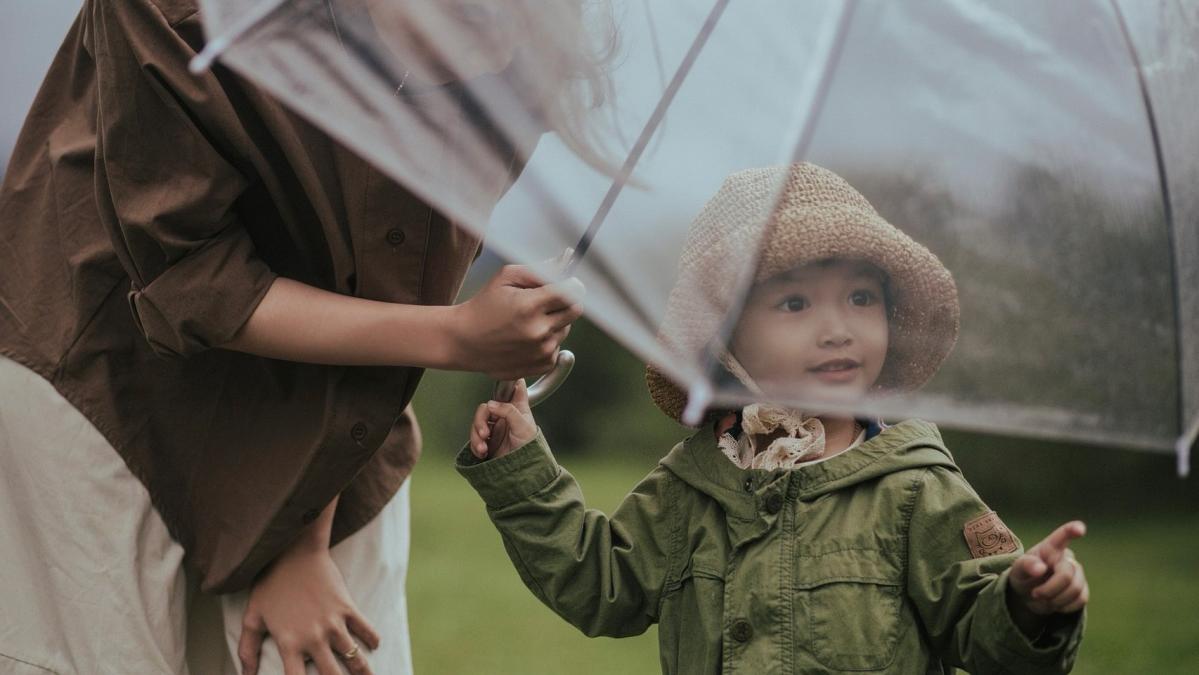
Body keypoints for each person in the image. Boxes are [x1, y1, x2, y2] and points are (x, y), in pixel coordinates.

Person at [0, 1, 609, 673]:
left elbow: (399, 275)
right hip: (108, 377)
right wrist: (458, 336)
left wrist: (304, 534)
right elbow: (190, 276)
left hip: (348, 391)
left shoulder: (520, 50)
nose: (495, 32)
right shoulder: (177, 9)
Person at [457, 163, 1088, 674]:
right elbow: (601, 584)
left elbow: (982, 631)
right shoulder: (693, 483)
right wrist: (523, 472)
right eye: (795, 302)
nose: (838, 328)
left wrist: (1028, 605)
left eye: (861, 298)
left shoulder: (915, 486)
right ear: (725, 340)